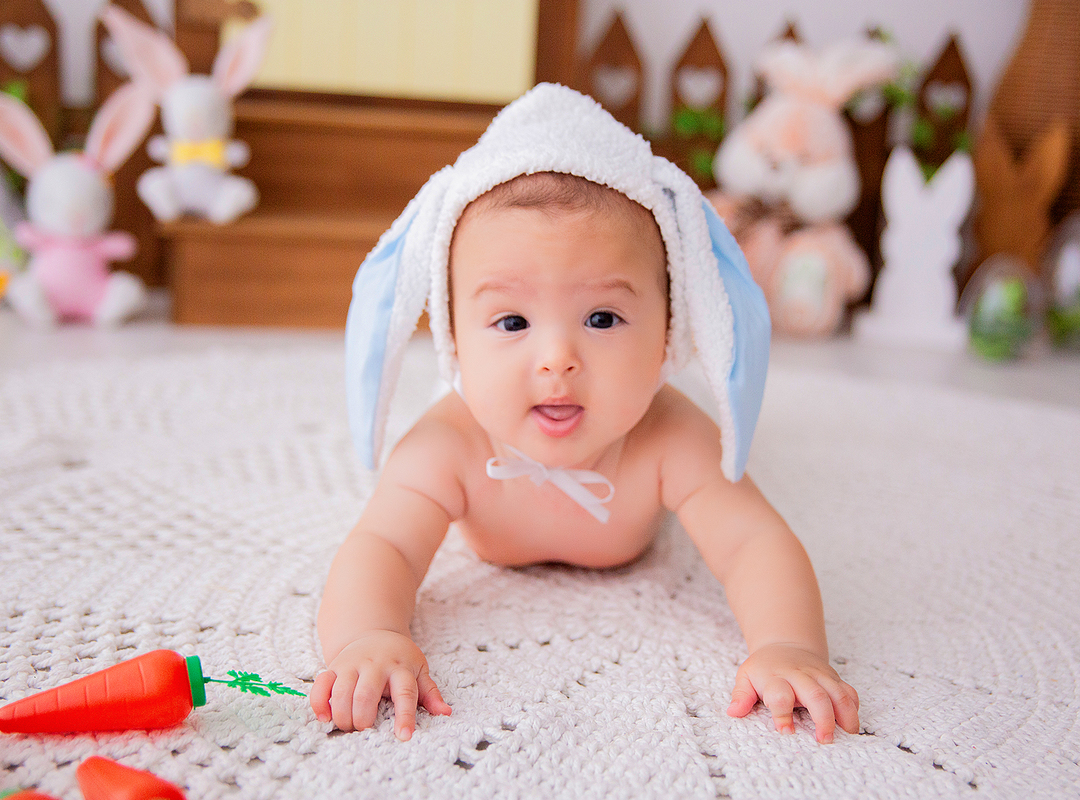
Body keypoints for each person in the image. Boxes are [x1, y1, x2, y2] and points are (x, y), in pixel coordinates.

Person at [310, 84, 859, 744]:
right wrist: (369, 635)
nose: (557, 360)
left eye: (602, 318)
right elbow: (384, 545)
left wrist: (789, 644)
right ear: (454, 339)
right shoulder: (447, 444)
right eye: (511, 321)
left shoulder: (669, 437)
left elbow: (753, 543)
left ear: (667, 333)